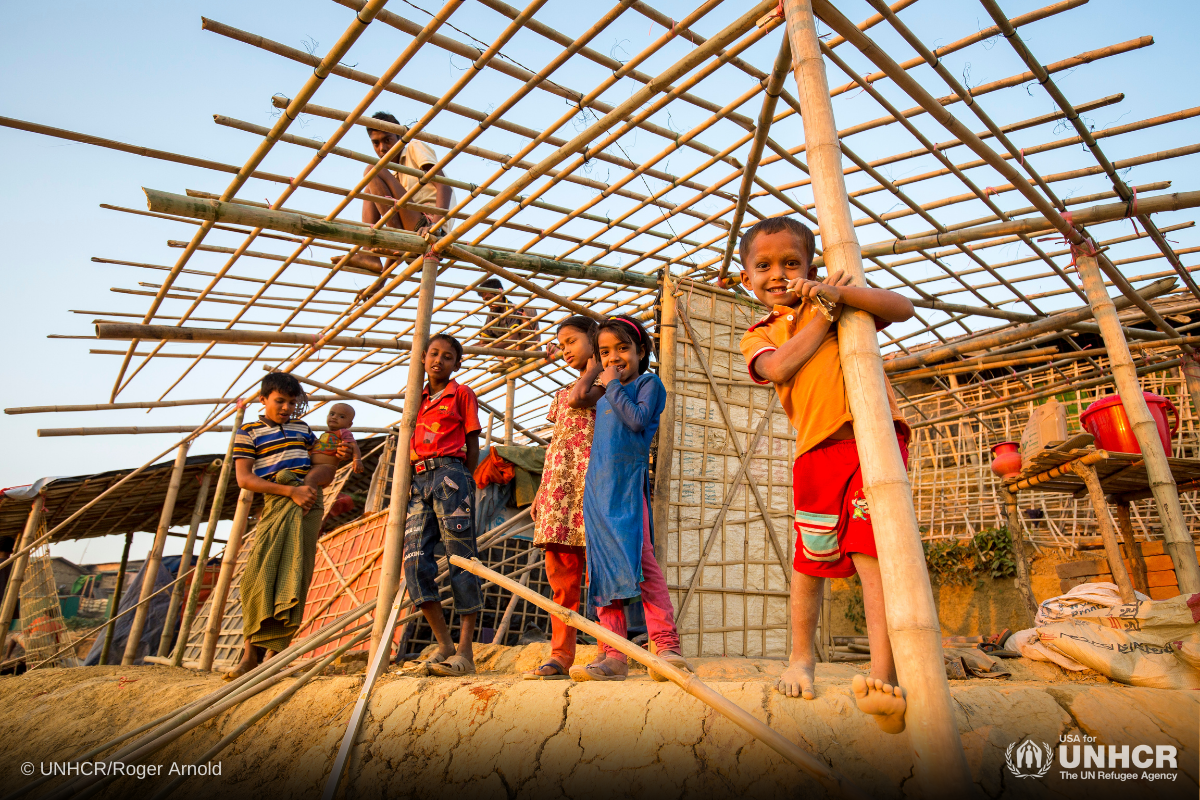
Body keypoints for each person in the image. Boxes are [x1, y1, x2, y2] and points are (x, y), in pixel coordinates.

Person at [736, 216, 915, 734]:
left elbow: (903, 308)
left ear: (810, 266)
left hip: (874, 442)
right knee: (809, 560)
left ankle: (883, 673)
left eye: (791, 262)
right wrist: (823, 313)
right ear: (747, 278)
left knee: (869, 551)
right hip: (815, 450)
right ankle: (801, 659)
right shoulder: (760, 333)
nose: (778, 273)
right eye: (764, 265)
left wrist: (839, 298)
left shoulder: (842, 301)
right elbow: (778, 369)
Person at [572, 315, 690, 682]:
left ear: (641, 351)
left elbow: (638, 421)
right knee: (602, 570)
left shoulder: (647, 384)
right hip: (598, 488)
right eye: (605, 352)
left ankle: (665, 644)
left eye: (623, 349)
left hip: (627, 484)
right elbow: (577, 397)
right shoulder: (604, 391)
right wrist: (594, 368)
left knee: (642, 562)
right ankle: (614, 654)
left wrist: (610, 384)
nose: (614, 358)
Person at [227, 373, 351, 680]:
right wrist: (290, 491)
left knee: (296, 574)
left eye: (291, 403)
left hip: (308, 504)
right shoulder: (248, 432)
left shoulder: (304, 430)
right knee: (257, 576)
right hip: (277, 501)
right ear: (263, 399)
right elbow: (245, 479)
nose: (286, 408)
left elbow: (325, 468)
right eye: (279, 401)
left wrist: (326, 468)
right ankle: (250, 653)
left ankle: (276, 654)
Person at [523, 316, 604, 680]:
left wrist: (597, 364)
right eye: (561, 343)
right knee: (561, 582)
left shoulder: (606, 386)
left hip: (594, 491)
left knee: (602, 579)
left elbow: (580, 397)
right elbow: (555, 446)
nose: (564, 349)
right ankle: (560, 655)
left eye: (571, 341)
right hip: (559, 496)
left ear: (593, 339)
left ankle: (608, 651)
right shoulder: (561, 396)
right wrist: (542, 493)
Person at [404, 333, 484, 677]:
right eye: (433, 354)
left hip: (451, 472)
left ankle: (465, 651)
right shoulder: (414, 398)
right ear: (422, 358)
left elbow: (471, 441)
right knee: (414, 562)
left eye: (448, 356)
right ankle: (444, 643)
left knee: (461, 558)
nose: (439, 360)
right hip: (417, 479)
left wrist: (464, 479)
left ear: (457, 364)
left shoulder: (461, 393)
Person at [340, 111, 455, 291]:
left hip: (429, 228)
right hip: (411, 237)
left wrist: (435, 225)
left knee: (373, 169)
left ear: (400, 136)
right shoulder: (394, 176)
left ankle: (375, 247)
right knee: (370, 184)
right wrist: (381, 281)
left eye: (387, 140)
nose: (382, 148)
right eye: (376, 143)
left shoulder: (413, 147)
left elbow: (444, 186)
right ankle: (369, 252)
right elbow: (394, 220)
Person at [476, 278, 542, 353]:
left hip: (525, 349)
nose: (488, 303)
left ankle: (518, 355)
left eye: (489, 299)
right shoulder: (492, 315)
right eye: (485, 300)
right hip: (507, 355)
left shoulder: (512, 309)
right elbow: (482, 342)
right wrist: (465, 349)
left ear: (499, 295)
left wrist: (486, 348)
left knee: (526, 312)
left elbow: (510, 340)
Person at [307, 403, 364, 488]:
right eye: (332, 414)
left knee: (310, 479)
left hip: (326, 468)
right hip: (313, 467)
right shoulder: (324, 435)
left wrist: (357, 460)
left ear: (349, 424)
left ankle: (309, 498)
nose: (334, 417)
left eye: (341, 416)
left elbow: (353, 445)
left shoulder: (343, 432)